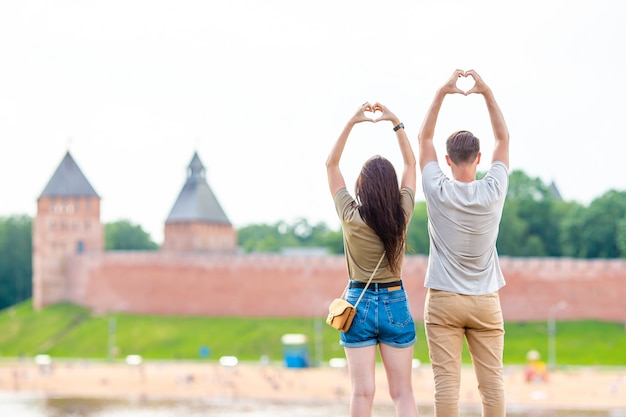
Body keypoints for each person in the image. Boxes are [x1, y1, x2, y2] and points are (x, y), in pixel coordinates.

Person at [417, 69, 510, 417]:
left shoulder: (437, 189)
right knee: (492, 384)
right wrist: (485, 92)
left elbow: (423, 138)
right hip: (485, 299)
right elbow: (504, 138)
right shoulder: (493, 189)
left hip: (443, 300)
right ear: (480, 158)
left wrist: (442, 92)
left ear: (447, 160)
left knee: (446, 385)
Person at [326, 102, 420, 417]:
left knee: (362, 393)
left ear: (361, 185)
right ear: (392, 186)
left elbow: (331, 164)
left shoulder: (350, 215)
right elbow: (410, 163)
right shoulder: (402, 213)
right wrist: (395, 122)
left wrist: (352, 122)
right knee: (403, 394)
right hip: (395, 300)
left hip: (358, 303)